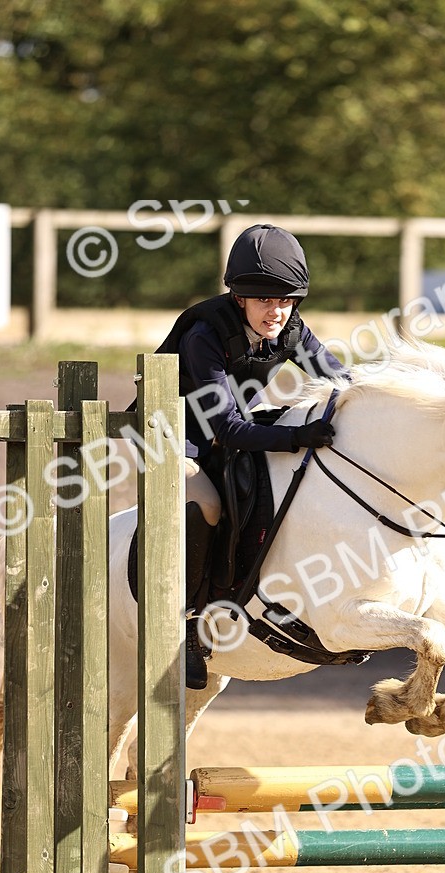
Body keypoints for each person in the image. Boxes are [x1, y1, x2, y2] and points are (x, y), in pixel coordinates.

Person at [155, 223, 346, 689]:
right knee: (209, 505)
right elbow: (224, 429)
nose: (276, 312)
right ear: (239, 297)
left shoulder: (291, 328)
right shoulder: (204, 335)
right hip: (175, 437)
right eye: (264, 300)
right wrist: (297, 435)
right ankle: (188, 628)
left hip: (234, 425)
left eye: (286, 300)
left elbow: (342, 381)